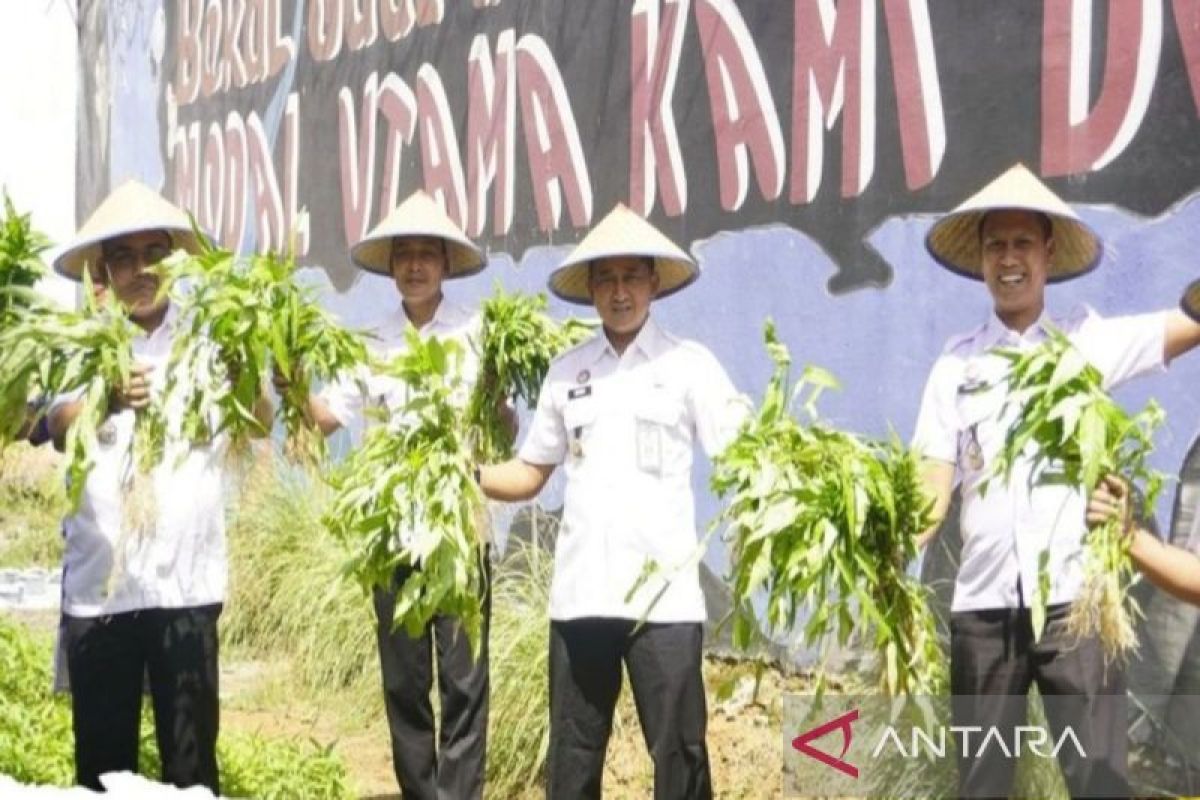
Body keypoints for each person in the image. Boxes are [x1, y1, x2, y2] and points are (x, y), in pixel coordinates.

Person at [912, 163, 1200, 798]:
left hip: (1075, 606)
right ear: (982, 260)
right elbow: (932, 486)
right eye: (995, 246)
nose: (1008, 259)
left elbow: (1177, 330)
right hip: (983, 611)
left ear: (1047, 253)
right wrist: (882, 541)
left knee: (1099, 782)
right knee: (983, 783)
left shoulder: (1084, 344)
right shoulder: (955, 365)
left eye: (1021, 244)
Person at [477, 204, 748, 799]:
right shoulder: (567, 372)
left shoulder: (689, 366)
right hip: (582, 598)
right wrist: (465, 476)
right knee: (573, 759)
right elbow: (530, 472)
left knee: (680, 754)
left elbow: (745, 455)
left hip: (664, 602)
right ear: (591, 289)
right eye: (606, 278)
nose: (620, 291)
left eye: (631, 276)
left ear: (653, 281)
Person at [47, 179, 271, 793]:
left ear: (175, 259)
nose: (142, 269)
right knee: (102, 768)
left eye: (155, 253)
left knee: (192, 768)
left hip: (185, 586)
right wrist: (106, 394)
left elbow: (261, 422)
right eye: (125, 256)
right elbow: (55, 421)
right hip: (102, 593)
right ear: (103, 270)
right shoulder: (80, 344)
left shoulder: (211, 336)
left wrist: (254, 372)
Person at [293, 190, 493, 799]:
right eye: (402, 255)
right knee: (404, 683)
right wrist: (292, 378)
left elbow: (503, 425)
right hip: (393, 537)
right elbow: (328, 416)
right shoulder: (371, 342)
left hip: (460, 531)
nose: (413, 265)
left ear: (446, 264)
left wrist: (501, 411)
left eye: (425, 254)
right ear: (390, 267)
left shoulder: (480, 334)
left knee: (464, 681)